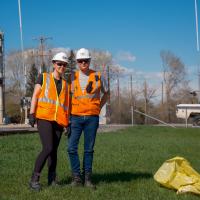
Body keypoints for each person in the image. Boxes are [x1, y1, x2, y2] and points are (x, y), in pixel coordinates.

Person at [67, 48, 109, 189]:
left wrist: (98, 107)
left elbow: (107, 93)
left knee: (88, 150)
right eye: (80, 61)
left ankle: (87, 179)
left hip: (92, 118)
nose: (83, 63)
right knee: (71, 148)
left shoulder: (98, 76)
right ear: (77, 62)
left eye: (86, 60)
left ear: (90, 61)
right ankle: (77, 178)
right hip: (76, 118)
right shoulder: (71, 76)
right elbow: (65, 97)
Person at [29, 52, 70, 191]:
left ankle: (52, 179)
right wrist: (32, 114)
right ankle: (34, 180)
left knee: (54, 152)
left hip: (58, 121)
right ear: (54, 64)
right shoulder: (44, 77)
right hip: (44, 118)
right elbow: (35, 95)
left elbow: (66, 106)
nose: (62, 67)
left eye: (64, 65)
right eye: (59, 64)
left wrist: (67, 123)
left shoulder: (65, 84)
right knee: (48, 148)